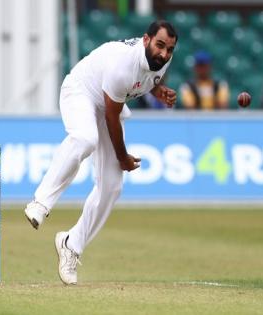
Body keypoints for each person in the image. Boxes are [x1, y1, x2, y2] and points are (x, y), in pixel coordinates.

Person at [24, 21, 177, 285]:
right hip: (81, 92)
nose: (164, 54)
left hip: (108, 102)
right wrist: (123, 157)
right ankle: (40, 202)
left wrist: (158, 89)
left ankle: (71, 244)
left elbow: (145, 79)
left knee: (112, 186)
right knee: (85, 138)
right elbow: (111, 116)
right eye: (160, 45)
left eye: (169, 49)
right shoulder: (122, 64)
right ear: (146, 40)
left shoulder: (161, 61)